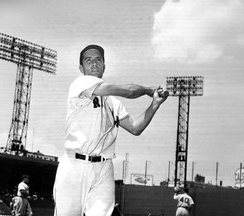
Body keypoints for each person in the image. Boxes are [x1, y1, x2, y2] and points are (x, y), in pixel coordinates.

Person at [53, 44, 169, 216]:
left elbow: (136, 128)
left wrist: (155, 104)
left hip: (104, 167)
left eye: (98, 59)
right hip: (74, 165)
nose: (94, 63)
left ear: (104, 66)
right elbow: (130, 91)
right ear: (81, 67)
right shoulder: (80, 83)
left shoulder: (113, 103)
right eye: (88, 60)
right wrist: (147, 90)